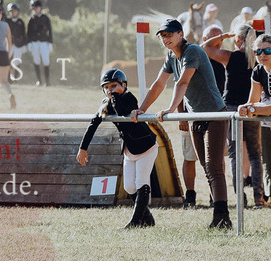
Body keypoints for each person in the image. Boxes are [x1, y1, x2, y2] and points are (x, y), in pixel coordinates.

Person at [131, 18, 233, 229]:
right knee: (206, 168)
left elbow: (183, 82)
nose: (165, 39)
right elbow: (159, 83)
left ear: (180, 34)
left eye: (169, 34)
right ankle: (220, 216)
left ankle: (223, 217)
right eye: (162, 36)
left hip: (215, 113)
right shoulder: (170, 56)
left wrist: (170, 109)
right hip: (196, 116)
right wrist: (142, 108)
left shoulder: (192, 51)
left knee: (214, 168)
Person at [78, 68, 160, 228]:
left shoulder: (129, 98)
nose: (110, 90)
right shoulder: (106, 103)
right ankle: (147, 218)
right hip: (130, 148)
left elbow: (123, 111)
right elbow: (94, 123)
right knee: (128, 186)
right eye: (106, 87)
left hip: (146, 146)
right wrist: (83, 148)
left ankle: (136, 222)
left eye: (114, 86)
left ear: (124, 84)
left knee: (141, 182)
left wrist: (114, 96)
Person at [201, 24, 265, 206]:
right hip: (252, 108)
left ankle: (240, 198)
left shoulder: (230, 57)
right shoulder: (257, 58)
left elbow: (205, 48)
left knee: (235, 154)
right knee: (255, 154)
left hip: (231, 109)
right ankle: (259, 198)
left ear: (237, 39)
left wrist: (223, 35)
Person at [237, 32, 271, 207]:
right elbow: (253, 102)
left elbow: (258, 108)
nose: (262, 55)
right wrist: (245, 108)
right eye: (258, 52)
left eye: (267, 51)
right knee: (268, 163)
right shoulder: (258, 70)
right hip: (268, 124)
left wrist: (253, 109)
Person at [27, 0, 53, 86]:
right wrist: (29, 42)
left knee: (46, 61)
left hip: (43, 42)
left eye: (36, 7)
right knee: (36, 60)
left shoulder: (45, 18)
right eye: (34, 8)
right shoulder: (31, 19)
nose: (35, 9)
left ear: (40, 8)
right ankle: (39, 80)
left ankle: (48, 81)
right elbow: (29, 32)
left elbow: (50, 30)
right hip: (34, 42)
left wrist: (50, 42)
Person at [5, 2, 27, 82]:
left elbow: (24, 34)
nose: (13, 12)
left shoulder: (20, 22)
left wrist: (25, 44)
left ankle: (16, 78)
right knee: (7, 60)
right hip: (9, 43)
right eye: (11, 11)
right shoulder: (7, 21)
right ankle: (7, 78)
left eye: (14, 10)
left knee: (17, 61)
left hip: (18, 44)